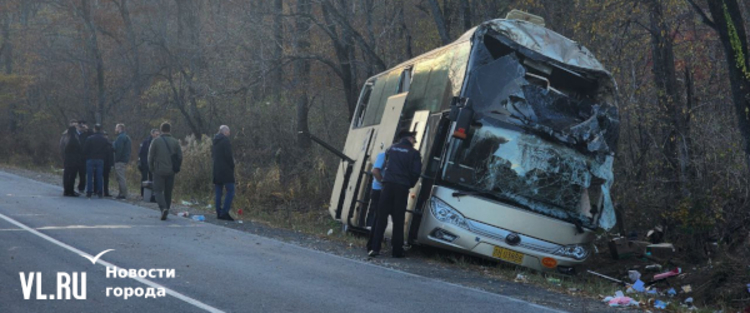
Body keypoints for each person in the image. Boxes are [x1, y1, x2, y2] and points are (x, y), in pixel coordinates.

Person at [367, 130, 422, 258]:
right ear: (408, 138)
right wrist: (409, 184)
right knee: (398, 219)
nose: (415, 142)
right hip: (402, 187)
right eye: (414, 139)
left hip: (387, 186)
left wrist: (385, 182)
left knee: (381, 218)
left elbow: (385, 165)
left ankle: (374, 248)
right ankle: (397, 251)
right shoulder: (414, 153)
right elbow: (416, 172)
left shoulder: (390, 149)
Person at [149, 122, 183, 220]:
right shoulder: (175, 142)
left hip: (159, 170)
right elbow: (180, 157)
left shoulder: (155, 141)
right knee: (168, 192)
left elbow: (150, 157)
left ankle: (163, 208)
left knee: (158, 191)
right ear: (170, 130)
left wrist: (151, 168)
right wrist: (176, 167)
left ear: (161, 130)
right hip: (171, 170)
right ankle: (167, 209)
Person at [212, 125, 236, 221]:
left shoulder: (215, 141)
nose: (229, 133)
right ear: (225, 131)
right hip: (226, 170)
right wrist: (232, 166)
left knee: (218, 191)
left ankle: (218, 211)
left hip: (217, 169)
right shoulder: (225, 141)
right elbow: (228, 156)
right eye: (228, 131)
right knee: (231, 190)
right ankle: (225, 212)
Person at [82, 124, 110, 198]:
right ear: (101, 129)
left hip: (90, 158)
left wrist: (86, 156)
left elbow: (85, 149)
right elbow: (108, 149)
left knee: (89, 176)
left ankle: (89, 192)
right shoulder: (104, 139)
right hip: (100, 159)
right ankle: (100, 192)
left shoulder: (90, 138)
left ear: (94, 129)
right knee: (99, 176)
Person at [61, 120, 83, 197]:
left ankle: (67, 190)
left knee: (67, 174)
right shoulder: (73, 137)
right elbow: (78, 147)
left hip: (67, 158)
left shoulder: (66, 136)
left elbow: (62, 146)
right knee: (71, 175)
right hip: (73, 158)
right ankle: (69, 190)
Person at [365, 151, 386, 228]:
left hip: (386, 188)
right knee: (375, 208)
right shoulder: (384, 155)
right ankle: (370, 226)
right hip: (378, 187)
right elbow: (375, 171)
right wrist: (383, 182)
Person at [139, 129, 160, 199]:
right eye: (156, 134)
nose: (157, 136)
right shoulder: (146, 142)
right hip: (145, 163)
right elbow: (141, 153)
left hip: (153, 164)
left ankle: (152, 194)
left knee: (152, 179)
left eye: (158, 134)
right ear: (152, 134)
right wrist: (142, 162)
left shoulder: (159, 142)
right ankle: (143, 194)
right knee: (144, 179)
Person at [113, 123, 132, 199]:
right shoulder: (127, 137)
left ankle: (123, 193)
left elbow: (119, 149)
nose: (115, 129)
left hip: (120, 160)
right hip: (124, 159)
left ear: (120, 128)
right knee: (121, 176)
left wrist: (116, 159)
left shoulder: (120, 138)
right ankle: (121, 193)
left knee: (121, 177)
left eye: (116, 128)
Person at [102, 131, 115, 197]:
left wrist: (112, 164)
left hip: (106, 163)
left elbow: (112, 155)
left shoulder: (109, 144)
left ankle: (105, 191)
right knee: (103, 178)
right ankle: (103, 191)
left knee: (105, 178)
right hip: (103, 163)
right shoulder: (109, 144)